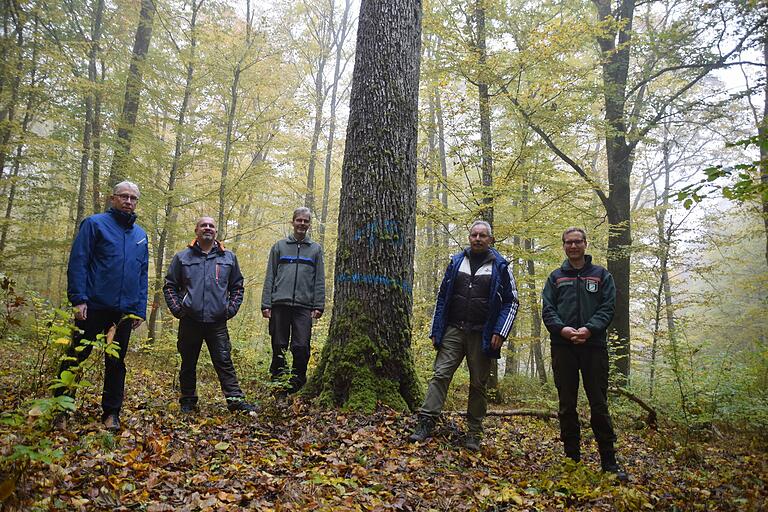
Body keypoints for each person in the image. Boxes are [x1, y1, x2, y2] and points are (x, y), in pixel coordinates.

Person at [409, 220, 519, 451]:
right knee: (440, 375)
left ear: (491, 239)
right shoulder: (457, 261)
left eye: (483, 235)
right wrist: (436, 330)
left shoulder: (500, 265)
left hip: (483, 334)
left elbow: (512, 302)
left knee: (478, 383)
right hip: (453, 329)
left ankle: (474, 432)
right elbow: (442, 297)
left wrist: (501, 331)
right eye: (474, 235)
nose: (478, 239)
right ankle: (426, 422)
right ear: (469, 237)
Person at [56, 181, 149, 432]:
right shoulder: (94, 224)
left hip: (123, 313)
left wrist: (139, 309)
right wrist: (78, 299)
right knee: (77, 355)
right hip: (93, 305)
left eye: (133, 198)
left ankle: (111, 414)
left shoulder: (141, 236)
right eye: (124, 197)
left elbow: (142, 275)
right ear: (113, 198)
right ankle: (60, 409)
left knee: (116, 363)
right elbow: (79, 262)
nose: (129, 201)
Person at [542, 227, 627, 480]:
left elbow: (608, 307)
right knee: (567, 406)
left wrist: (589, 329)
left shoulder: (601, 275)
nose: (573, 246)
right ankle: (572, 460)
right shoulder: (555, 277)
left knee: (599, 404)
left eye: (577, 241)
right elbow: (548, 310)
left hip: (594, 348)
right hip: (563, 348)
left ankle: (609, 462)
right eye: (568, 242)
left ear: (586, 244)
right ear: (563, 246)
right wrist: (564, 330)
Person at [163, 217, 256, 414]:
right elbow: (170, 286)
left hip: (217, 322)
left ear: (216, 231)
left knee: (224, 361)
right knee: (188, 362)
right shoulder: (182, 257)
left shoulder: (228, 258)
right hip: (190, 320)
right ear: (196, 230)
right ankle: (188, 401)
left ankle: (235, 401)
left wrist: (229, 310)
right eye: (203, 225)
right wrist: (179, 310)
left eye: (211, 226)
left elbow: (237, 287)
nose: (207, 228)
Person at [261, 207, 325, 394]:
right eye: (299, 220)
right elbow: (270, 276)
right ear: (293, 222)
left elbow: (319, 279)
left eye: (305, 221)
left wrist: (318, 305)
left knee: (301, 345)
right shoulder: (279, 247)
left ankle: (297, 383)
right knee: (279, 344)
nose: (302, 224)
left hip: (304, 306)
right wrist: (266, 303)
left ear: (309, 224)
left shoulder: (315, 249)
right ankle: (279, 382)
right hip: (279, 304)